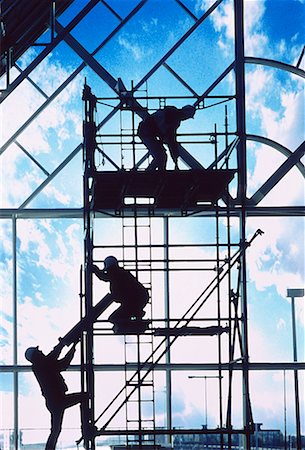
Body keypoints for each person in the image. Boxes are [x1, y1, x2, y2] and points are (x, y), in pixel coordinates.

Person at [25, 341, 87, 449]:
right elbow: (60, 361)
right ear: (35, 356)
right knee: (84, 397)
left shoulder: (41, 367)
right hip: (58, 401)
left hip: (55, 402)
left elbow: (60, 362)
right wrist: (66, 346)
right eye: (38, 351)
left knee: (56, 430)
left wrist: (69, 348)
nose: (41, 351)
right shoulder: (42, 365)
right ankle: (85, 429)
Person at [92, 256, 149, 332]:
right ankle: (137, 317)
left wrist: (95, 270)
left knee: (115, 319)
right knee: (117, 319)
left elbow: (104, 277)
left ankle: (138, 323)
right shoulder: (120, 273)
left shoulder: (116, 273)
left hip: (134, 301)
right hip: (137, 299)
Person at [137, 104, 196, 170]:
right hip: (146, 133)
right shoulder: (174, 118)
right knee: (161, 156)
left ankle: (154, 172)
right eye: (188, 117)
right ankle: (154, 174)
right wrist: (175, 155)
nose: (186, 119)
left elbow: (168, 135)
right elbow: (171, 138)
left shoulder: (172, 113)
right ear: (186, 114)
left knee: (160, 156)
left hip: (146, 131)